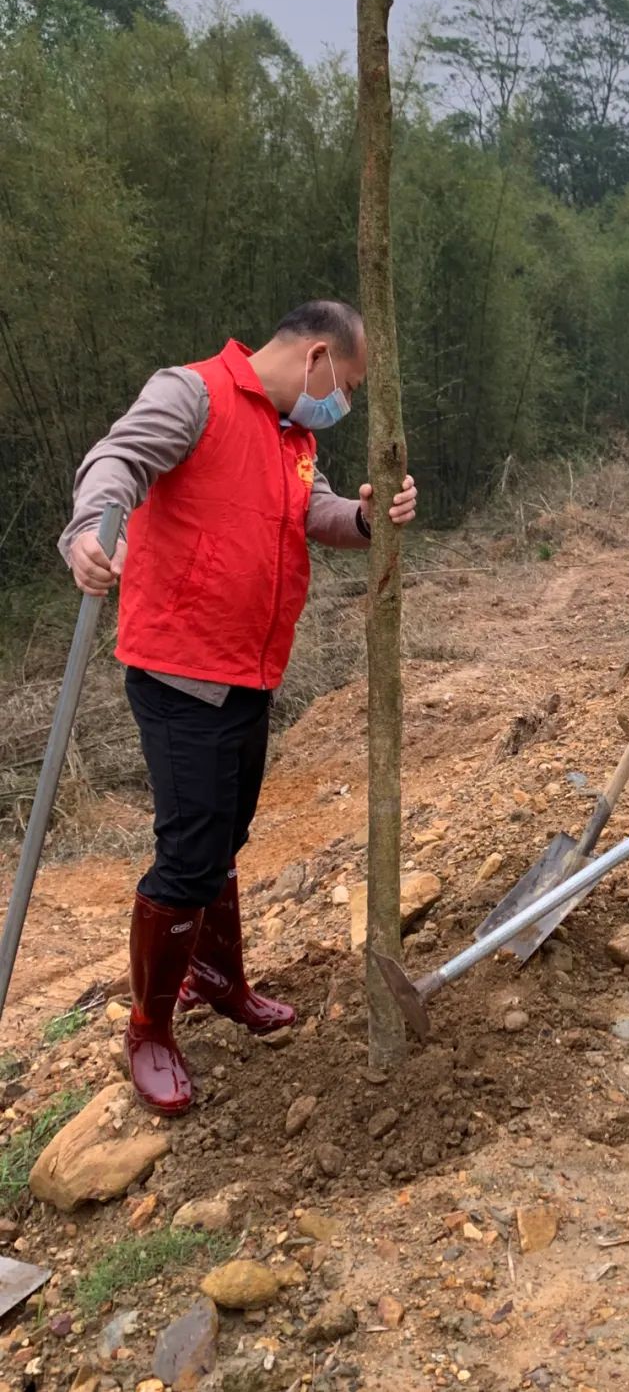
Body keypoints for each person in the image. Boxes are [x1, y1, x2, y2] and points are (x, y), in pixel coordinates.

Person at [59, 300, 418, 1117]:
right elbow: (116, 460)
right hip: (179, 672)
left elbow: (312, 511)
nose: (345, 402)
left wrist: (365, 518)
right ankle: (149, 1026)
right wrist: (90, 530)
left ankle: (219, 977)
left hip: (251, 673)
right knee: (187, 854)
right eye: (348, 386)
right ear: (318, 356)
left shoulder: (297, 438)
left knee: (228, 834)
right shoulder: (192, 395)